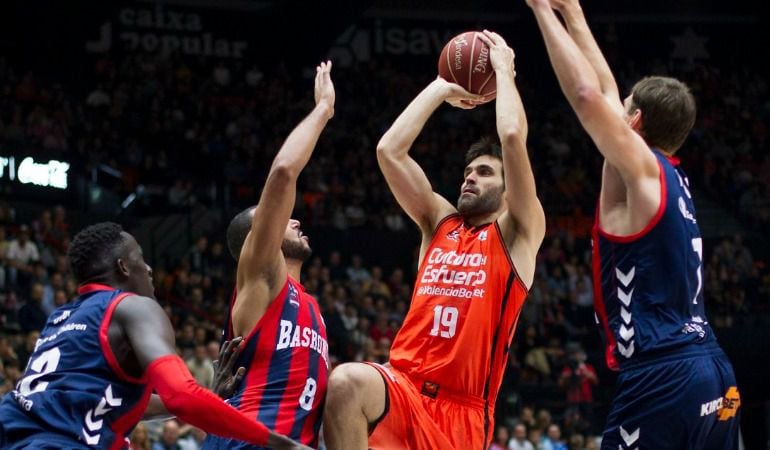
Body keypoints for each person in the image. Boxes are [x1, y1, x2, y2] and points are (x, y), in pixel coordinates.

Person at [526, 0, 740, 447]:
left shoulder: (644, 172)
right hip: (714, 372)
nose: (615, 109)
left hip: (663, 375)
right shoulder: (669, 178)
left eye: (624, 108)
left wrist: (541, 10)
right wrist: (573, 12)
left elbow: (588, 97)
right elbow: (605, 91)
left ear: (635, 121)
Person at [323, 31, 546, 450]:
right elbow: (389, 151)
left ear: (508, 191)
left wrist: (503, 72)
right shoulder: (439, 223)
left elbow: (513, 137)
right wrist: (442, 88)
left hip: (462, 412)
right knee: (346, 382)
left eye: (484, 173)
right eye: (467, 172)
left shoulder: (517, 232)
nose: (470, 178)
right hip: (402, 388)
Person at [0, 222, 305, 449]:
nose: (148, 268)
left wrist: (208, 398)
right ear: (123, 267)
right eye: (140, 257)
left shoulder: (62, 317)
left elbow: (116, 400)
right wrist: (279, 442)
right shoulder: (132, 307)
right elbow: (181, 396)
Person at [202, 61, 335, 449]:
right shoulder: (262, 276)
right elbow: (282, 173)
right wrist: (324, 109)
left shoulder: (311, 305)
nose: (293, 219)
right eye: (276, 219)